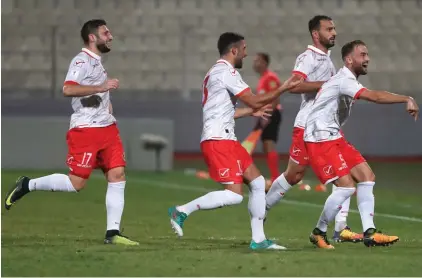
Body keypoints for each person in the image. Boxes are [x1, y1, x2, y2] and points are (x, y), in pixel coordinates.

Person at [4, 19, 139, 246]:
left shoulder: (98, 63)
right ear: (92, 37)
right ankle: (28, 184)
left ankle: (112, 233)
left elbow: (96, 93)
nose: (111, 36)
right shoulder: (81, 60)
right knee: (76, 183)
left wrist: (106, 104)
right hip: (86, 131)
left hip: (107, 128)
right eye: (106, 33)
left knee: (117, 175)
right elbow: (68, 88)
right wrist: (101, 87)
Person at [167, 32, 301, 250]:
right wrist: (284, 88)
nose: (246, 54)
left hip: (227, 138)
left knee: (258, 183)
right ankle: (181, 211)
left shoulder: (214, 72)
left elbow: (221, 110)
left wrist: (249, 112)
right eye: (244, 49)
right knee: (234, 196)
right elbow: (256, 100)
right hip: (218, 140)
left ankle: (259, 240)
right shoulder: (226, 72)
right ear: (234, 51)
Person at [305, 40, 418, 248]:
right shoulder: (344, 80)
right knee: (346, 187)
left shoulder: (347, 79)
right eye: (362, 55)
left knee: (367, 176)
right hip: (319, 137)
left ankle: (370, 232)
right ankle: (318, 232)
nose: (367, 59)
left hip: (333, 136)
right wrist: (406, 98)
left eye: (367, 54)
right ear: (349, 60)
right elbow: (374, 96)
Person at [264, 15, 363, 242]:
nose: (334, 32)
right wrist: (329, 85)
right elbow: (295, 85)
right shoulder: (308, 57)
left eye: (335, 28)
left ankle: (341, 228)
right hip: (308, 126)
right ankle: (262, 209)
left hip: (326, 128)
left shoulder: (328, 62)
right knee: (294, 175)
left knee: (344, 173)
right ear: (316, 34)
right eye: (329, 29)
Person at [252, 53, 283, 185]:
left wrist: (268, 115)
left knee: (269, 144)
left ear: (264, 62)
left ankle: (275, 178)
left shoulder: (270, 78)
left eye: (257, 60)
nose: (255, 63)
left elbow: (275, 97)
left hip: (271, 114)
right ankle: (273, 176)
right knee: (265, 146)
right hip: (265, 114)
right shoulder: (262, 79)